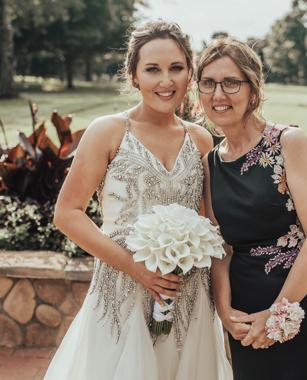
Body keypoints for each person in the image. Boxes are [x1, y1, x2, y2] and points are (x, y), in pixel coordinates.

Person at [44, 21, 232, 380]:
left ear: (190, 74)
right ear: (133, 76)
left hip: (187, 296)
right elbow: (67, 214)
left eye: (176, 68)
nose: (166, 81)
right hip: (122, 290)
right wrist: (136, 268)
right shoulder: (108, 131)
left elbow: (212, 226)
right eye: (152, 69)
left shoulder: (202, 140)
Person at [199, 38, 307, 380]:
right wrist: (225, 308)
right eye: (208, 83)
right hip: (246, 309)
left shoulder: (288, 142)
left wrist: (277, 313)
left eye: (231, 82)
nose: (218, 94)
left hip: (304, 300)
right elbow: (220, 246)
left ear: (253, 88)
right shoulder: (209, 164)